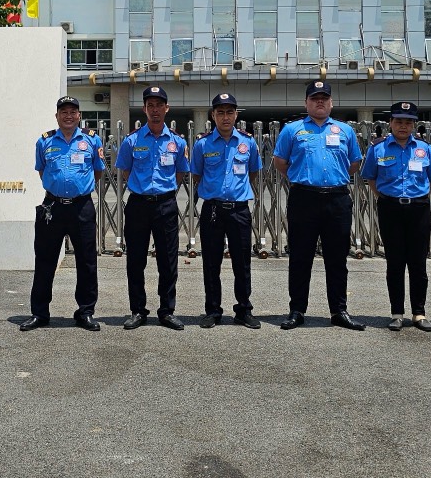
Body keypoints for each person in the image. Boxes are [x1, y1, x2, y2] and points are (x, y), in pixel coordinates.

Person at [272, 80, 365, 330]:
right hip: (304, 198)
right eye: (315, 98)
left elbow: (354, 163)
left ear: (332, 103)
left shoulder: (345, 131)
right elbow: (280, 161)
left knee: (337, 259)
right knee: (300, 257)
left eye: (324, 98)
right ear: (306, 103)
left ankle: (339, 310)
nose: (320, 102)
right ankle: (297, 310)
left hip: (337, 199)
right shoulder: (292, 130)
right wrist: (300, 175)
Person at [20, 96, 105, 332]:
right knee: (45, 260)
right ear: (56, 116)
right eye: (63, 112)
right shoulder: (44, 141)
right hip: (53, 208)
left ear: (79, 116)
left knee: (87, 262)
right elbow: (43, 172)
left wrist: (78, 190)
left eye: (73, 112)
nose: (68, 116)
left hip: (82, 207)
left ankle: (85, 312)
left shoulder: (91, 140)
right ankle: (40, 313)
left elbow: (97, 172)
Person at [360, 100, 431, 332]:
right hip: (390, 208)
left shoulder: (425, 149)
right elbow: (371, 179)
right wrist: (388, 197)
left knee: (418, 263)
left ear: (415, 125)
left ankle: (419, 312)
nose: (403, 126)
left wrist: (417, 197)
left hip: (418, 208)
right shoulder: (378, 149)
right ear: (390, 123)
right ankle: (396, 312)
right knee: (395, 262)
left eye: (408, 122)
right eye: (399, 121)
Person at [116, 85, 190, 330]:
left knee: (168, 261)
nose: (155, 110)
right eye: (150, 105)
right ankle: (138, 310)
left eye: (159, 105)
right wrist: (143, 188)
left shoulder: (177, 143)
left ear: (167, 108)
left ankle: (167, 311)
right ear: (144, 109)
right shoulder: (132, 140)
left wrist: (164, 190)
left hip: (166, 205)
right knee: (136, 260)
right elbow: (125, 171)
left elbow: (181, 172)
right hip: (138, 205)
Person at [190, 92, 262, 329]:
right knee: (212, 262)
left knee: (242, 262)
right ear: (213, 116)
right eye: (220, 112)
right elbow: (197, 174)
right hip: (213, 209)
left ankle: (244, 309)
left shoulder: (248, 142)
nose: (225, 117)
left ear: (236, 115)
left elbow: (253, 172)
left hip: (239, 210)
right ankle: (212, 310)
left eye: (229, 112)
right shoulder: (202, 144)